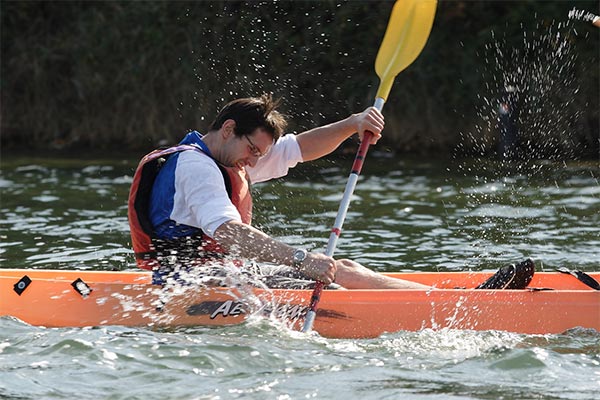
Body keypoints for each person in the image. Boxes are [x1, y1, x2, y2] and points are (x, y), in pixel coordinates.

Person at [128, 94, 533, 290]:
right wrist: (302, 258)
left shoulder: (228, 157)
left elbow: (300, 149)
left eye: (259, 154)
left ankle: (457, 300)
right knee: (326, 283)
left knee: (345, 268)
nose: (254, 162)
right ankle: (452, 308)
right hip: (187, 283)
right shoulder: (198, 167)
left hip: (220, 274)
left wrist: (353, 124)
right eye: (253, 150)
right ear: (229, 129)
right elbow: (231, 235)